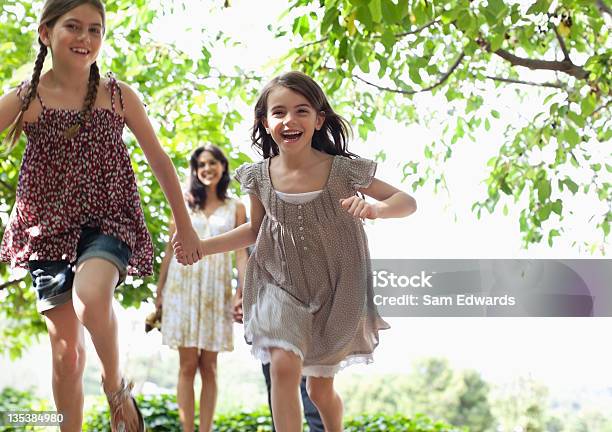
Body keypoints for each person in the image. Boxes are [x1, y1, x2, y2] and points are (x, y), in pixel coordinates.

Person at [174, 71, 417, 432]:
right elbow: (255, 230)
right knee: (284, 366)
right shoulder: (258, 176)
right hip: (279, 282)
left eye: (302, 111)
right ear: (265, 122)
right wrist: (203, 247)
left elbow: (407, 201)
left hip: (337, 287)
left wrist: (376, 209)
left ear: (319, 119)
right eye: (279, 112)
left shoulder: (343, 170)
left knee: (320, 389)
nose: (290, 120)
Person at [0, 1, 201, 431]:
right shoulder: (27, 97)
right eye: (73, 27)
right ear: (45, 33)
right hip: (47, 230)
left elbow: (161, 161)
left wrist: (185, 227)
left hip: (110, 218)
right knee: (67, 354)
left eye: (95, 29)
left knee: (91, 297)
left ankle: (115, 385)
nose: (85, 38)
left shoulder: (118, 95)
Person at [155, 145, 248, 432]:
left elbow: (241, 254)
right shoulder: (183, 203)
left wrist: (241, 293)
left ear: (223, 166)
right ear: (195, 170)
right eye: (201, 164)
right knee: (186, 366)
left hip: (215, 291)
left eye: (212, 163)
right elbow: (170, 252)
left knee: (209, 366)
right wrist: (159, 293)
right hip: (182, 288)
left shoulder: (237, 208)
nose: (207, 169)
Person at [233, 287, 324, 432]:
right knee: (277, 373)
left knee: (313, 383)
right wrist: (242, 292)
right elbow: (245, 262)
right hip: (266, 292)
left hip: (305, 291)